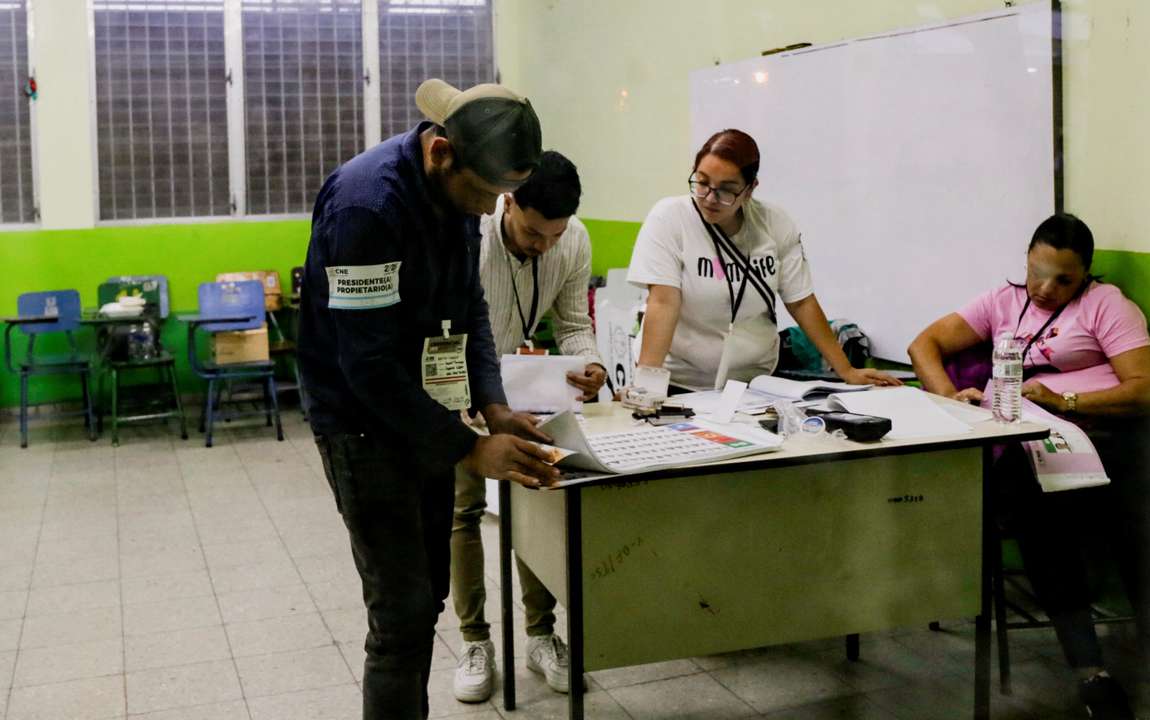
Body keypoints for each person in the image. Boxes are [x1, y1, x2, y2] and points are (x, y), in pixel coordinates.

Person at [297, 78, 561, 720]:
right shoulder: (367, 207)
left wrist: (493, 402)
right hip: (361, 424)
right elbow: (368, 369)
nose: (485, 211)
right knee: (401, 613)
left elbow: (465, 306)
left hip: (426, 412)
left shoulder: (460, 196)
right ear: (442, 153)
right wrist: (471, 449)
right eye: (482, 194)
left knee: (430, 594)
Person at [907, 214, 1150, 720]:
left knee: (1147, 543)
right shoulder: (1002, 301)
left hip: (1114, 447)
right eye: (1036, 272)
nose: (1045, 289)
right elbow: (924, 345)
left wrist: (1064, 400)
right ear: (1025, 259)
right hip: (1039, 456)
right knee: (1042, 532)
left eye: (1063, 279)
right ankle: (1091, 675)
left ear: (1085, 275)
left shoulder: (1106, 306)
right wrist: (952, 398)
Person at [451, 150, 605, 701]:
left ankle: (542, 636)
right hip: (460, 386)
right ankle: (475, 642)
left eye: (554, 235)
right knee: (463, 511)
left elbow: (572, 323)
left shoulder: (572, 240)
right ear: (506, 201)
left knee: (536, 500)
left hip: (522, 393)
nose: (544, 246)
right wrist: (462, 402)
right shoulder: (471, 234)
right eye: (534, 233)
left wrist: (590, 365)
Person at [626, 129, 900, 391]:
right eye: (702, 182)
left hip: (754, 381)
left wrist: (847, 371)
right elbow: (663, 303)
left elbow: (802, 301)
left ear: (750, 189)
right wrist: (647, 388)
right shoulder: (670, 218)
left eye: (726, 189)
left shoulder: (774, 223)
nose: (709, 197)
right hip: (680, 380)